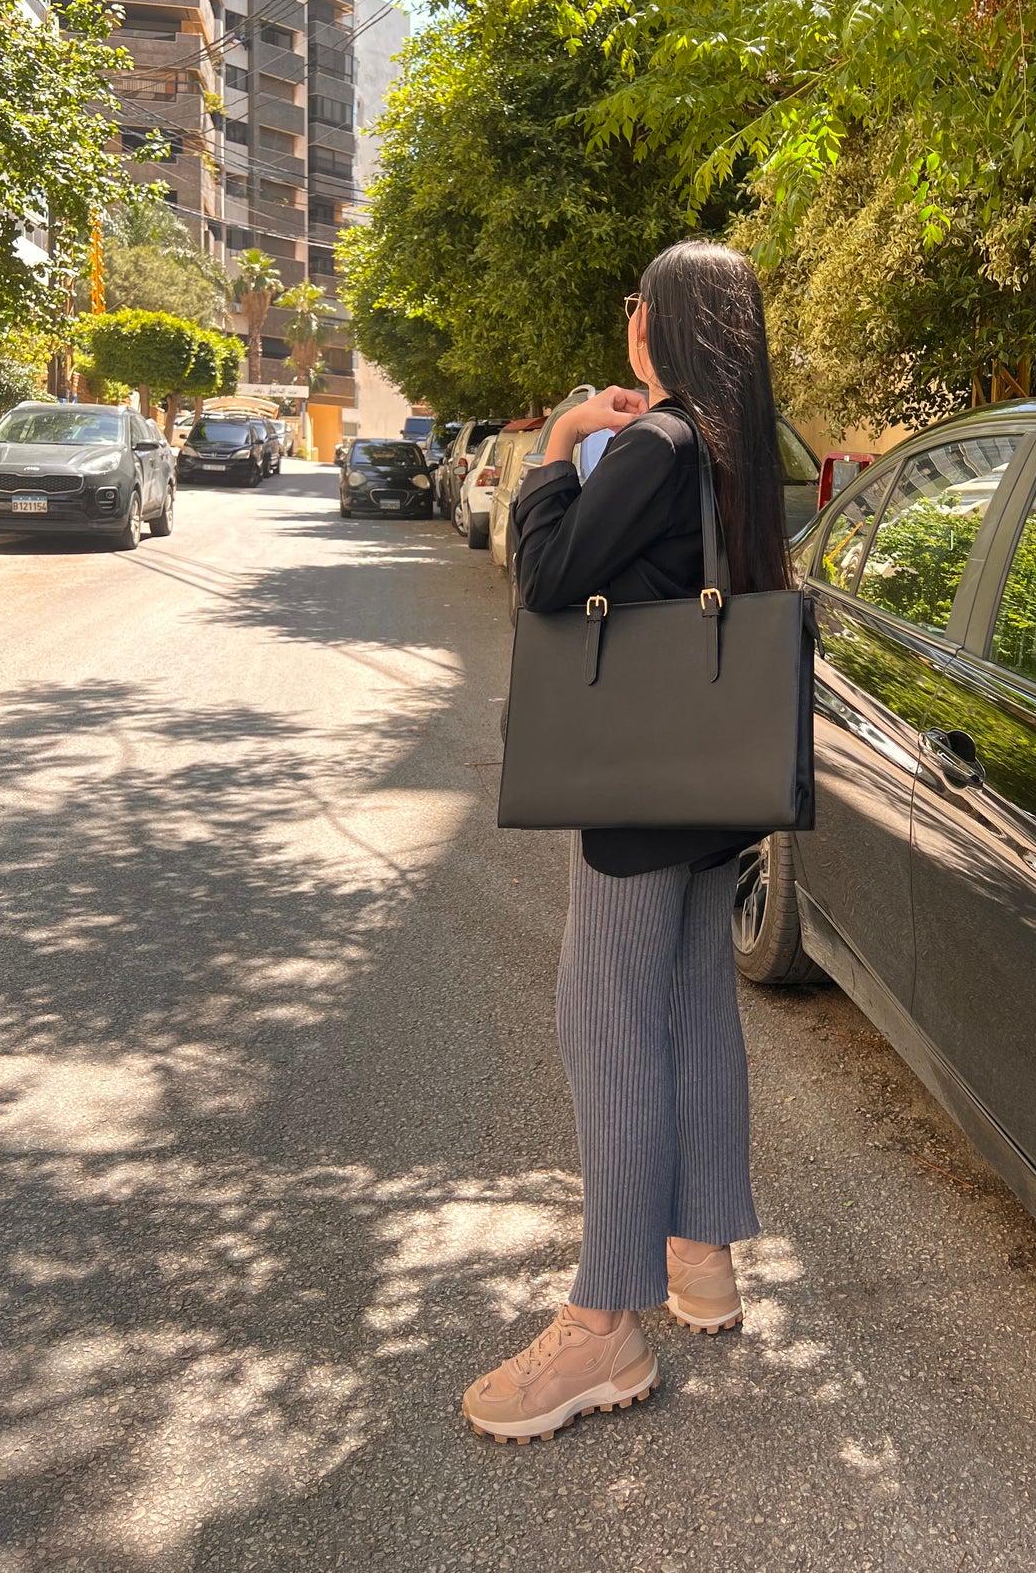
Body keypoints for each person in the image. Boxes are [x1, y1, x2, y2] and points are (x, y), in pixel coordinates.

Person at [461, 239, 790, 1444]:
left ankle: (603, 1323)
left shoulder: (654, 444)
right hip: (713, 779)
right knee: (694, 997)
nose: (627, 322)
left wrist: (552, 449)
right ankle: (699, 1257)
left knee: (602, 1018)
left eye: (633, 305)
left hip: (639, 785)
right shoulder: (740, 450)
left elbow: (545, 575)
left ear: (656, 326)